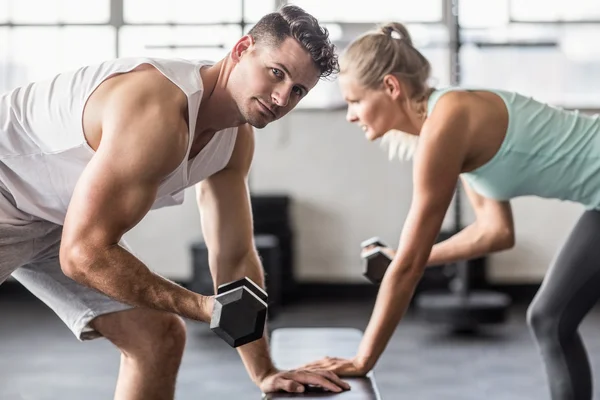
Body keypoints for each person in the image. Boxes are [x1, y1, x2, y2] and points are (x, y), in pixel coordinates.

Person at [0, 5, 352, 399]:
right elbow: (84, 254)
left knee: (158, 338)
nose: (282, 97)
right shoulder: (157, 112)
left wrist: (264, 371)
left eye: (298, 90)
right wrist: (205, 308)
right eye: (277, 73)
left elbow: (234, 258)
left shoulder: (234, 140)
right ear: (242, 49)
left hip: (54, 214)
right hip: (6, 190)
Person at [299, 21, 600, 400]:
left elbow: (409, 267)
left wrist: (363, 360)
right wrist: (398, 258)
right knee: (550, 319)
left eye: (355, 101)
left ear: (390, 87)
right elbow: (494, 231)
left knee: (550, 319)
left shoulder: (448, 121)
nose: (351, 115)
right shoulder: (446, 121)